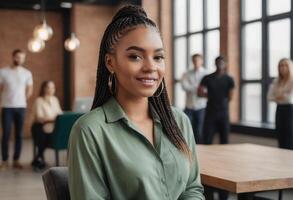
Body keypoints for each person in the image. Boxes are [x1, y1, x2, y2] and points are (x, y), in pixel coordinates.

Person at [68, 5, 204, 200]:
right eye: (135, 56)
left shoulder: (179, 121)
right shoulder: (89, 131)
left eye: (158, 57)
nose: (151, 67)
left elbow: (193, 189)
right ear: (110, 62)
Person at [198, 55, 234, 200]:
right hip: (210, 113)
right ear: (215, 63)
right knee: (207, 142)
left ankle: (223, 173)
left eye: (222, 62)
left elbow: (231, 96)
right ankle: (207, 175)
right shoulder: (207, 77)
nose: (220, 64)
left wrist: (221, 100)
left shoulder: (229, 79)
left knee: (225, 144)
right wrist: (211, 96)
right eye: (218, 62)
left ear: (225, 64)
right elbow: (199, 91)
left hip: (223, 113)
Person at [0, 49, 33, 170]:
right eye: (18, 57)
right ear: (13, 57)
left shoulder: (27, 73)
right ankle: (4, 161)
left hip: (21, 107)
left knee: (19, 135)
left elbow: (30, 89)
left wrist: (23, 98)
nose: (20, 59)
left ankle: (16, 160)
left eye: (22, 57)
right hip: (7, 107)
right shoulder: (3, 72)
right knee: (6, 134)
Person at [31, 80, 63, 170]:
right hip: (39, 126)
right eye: (49, 87)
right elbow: (40, 118)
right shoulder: (39, 101)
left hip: (52, 126)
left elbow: (60, 113)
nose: (51, 89)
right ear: (44, 88)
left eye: (53, 87)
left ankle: (38, 157)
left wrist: (55, 119)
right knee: (42, 134)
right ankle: (39, 157)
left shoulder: (55, 100)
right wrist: (54, 118)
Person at [181, 54, 207, 144]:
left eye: (198, 60)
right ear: (192, 61)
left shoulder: (206, 74)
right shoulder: (186, 73)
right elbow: (184, 86)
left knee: (199, 130)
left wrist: (192, 87)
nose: (196, 62)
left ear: (202, 61)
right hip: (189, 106)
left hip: (201, 107)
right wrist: (198, 88)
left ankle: (199, 149)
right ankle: (187, 148)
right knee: (185, 129)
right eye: (194, 60)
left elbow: (206, 89)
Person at [268, 58, 293, 150]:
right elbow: (269, 97)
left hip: (290, 110)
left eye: (285, 65)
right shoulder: (276, 81)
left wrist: (278, 96)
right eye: (280, 66)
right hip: (279, 110)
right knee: (280, 136)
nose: (282, 68)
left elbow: (289, 98)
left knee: (289, 137)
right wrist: (283, 95)